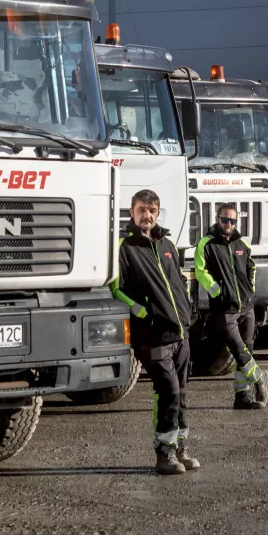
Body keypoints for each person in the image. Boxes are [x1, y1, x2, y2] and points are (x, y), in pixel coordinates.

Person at [110, 189, 197, 474]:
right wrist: (142, 311)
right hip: (152, 334)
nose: (146, 215)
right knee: (168, 391)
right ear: (131, 212)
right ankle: (164, 454)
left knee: (182, 392)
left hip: (179, 331)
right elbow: (116, 289)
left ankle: (180, 449)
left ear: (157, 214)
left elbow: (179, 282)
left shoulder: (167, 244)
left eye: (152, 211)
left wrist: (188, 311)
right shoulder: (124, 247)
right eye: (141, 210)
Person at [195, 203, 268, 409]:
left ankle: (242, 396)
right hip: (224, 309)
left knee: (247, 349)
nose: (229, 224)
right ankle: (259, 377)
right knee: (238, 349)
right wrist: (217, 292)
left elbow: (251, 266)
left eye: (232, 220)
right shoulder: (206, 243)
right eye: (225, 219)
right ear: (217, 219)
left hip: (246, 306)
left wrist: (250, 289)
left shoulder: (241, 244)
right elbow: (200, 271)